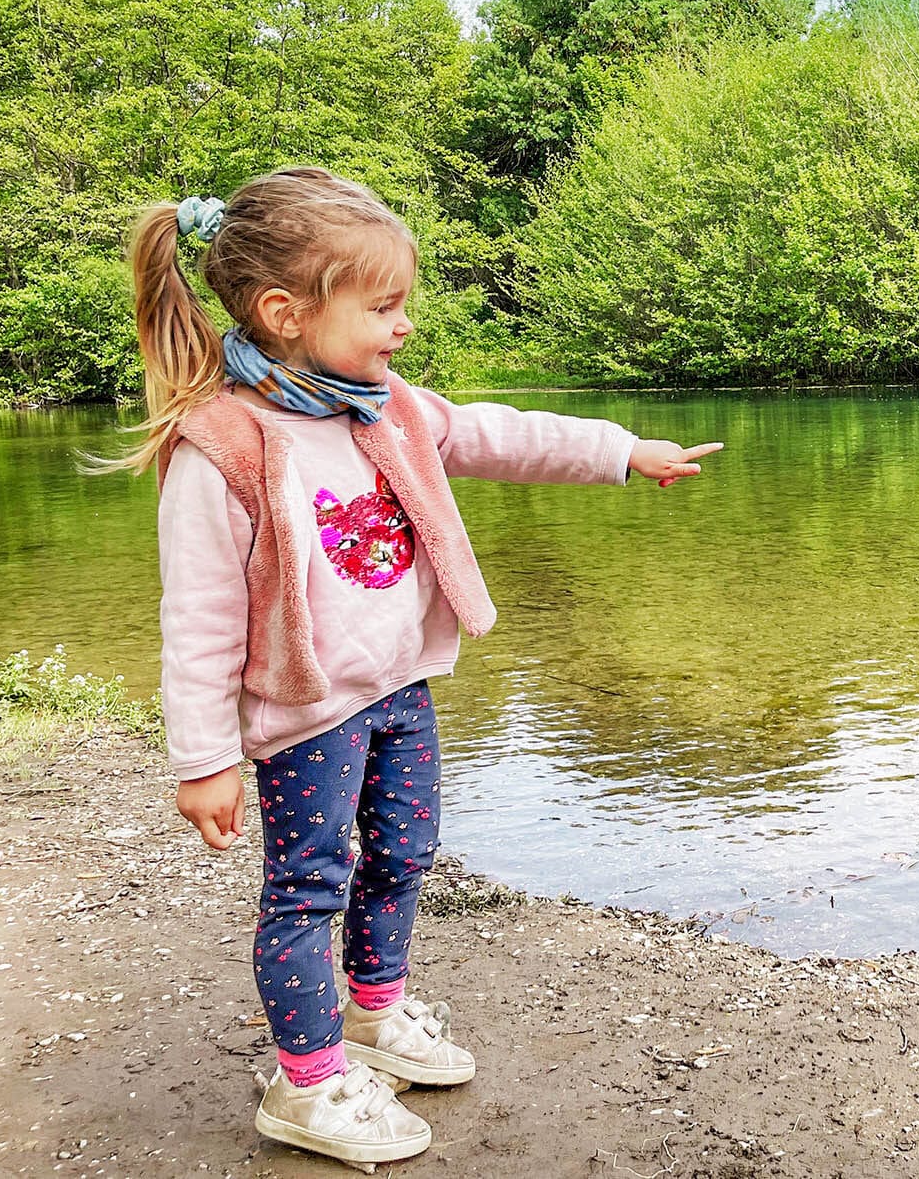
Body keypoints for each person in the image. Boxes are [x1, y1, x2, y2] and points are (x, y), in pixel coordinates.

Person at [110, 166, 721, 1167]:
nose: (403, 326)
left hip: (400, 689)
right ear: (285, 312)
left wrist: (620, 451)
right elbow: (199, 620)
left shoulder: (380, 405)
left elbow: (493, 432)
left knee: (403, 854)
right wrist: (203, 760)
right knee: (308, 889)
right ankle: (307, 1084)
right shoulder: (222, 446)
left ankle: (372, 1013)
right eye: (382, 306)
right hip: (306, 717)